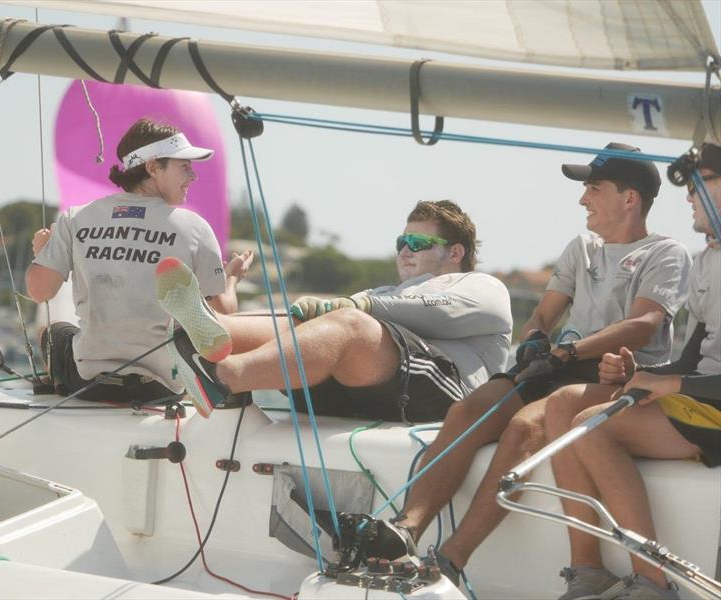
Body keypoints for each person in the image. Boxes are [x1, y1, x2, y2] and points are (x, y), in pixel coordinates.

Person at [368, 143, 693, 584]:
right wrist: (537, 337)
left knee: (525, 425)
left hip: (614, 377)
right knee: (467, 411)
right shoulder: (581, 247)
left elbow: (644, 323)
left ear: (629, 198)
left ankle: (450, 559)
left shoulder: (667, 253)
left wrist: (570, 352)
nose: (583, 199)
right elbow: (543, 315)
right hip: (559, 364)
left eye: (593, 189)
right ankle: (406, 530)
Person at [544, 143, 721, 600]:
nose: (688, 197)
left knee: (590, 428)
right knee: (566, 404)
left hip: (713, 406)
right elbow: (694, 357)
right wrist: (640, 371)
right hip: (705, 399)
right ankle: (587, 571)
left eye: (701, 183)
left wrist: (675, 384)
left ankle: (653, 585)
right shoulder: (708, 260)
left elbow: (688, 373)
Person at [155, 199, 513, 422]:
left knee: (350, 325)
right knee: (306, 324)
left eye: (418, 243)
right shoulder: (387, 292)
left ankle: (224, 377)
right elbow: (326, 323)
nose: (405, 250)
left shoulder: (482, 286)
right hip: (373, 392)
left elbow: (439, 313)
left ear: (456, 253)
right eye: (402, 242)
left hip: (448, 401)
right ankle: (211, 326)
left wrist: (357, 305)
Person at [26, 117, 251, 403]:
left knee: (53, 333)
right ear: (153, 167)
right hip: (161, 388)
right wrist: (231, 279)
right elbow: (223, 313)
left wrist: (43, 253)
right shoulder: (194, 228)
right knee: (199, 323)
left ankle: (56, 379)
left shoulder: (76, 218)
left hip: (91, 382)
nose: (193, 176)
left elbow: (39, 292)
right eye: (185, 166)